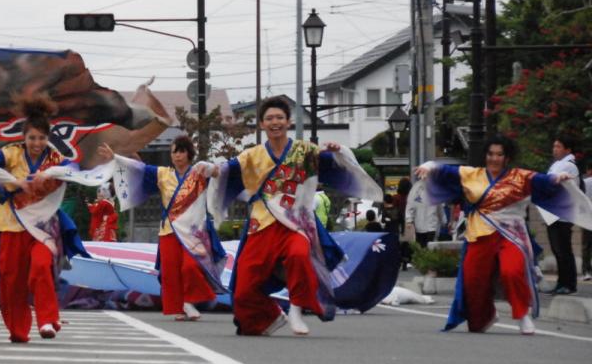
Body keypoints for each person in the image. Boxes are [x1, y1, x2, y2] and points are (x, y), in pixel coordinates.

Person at [204, 97, 383, 337]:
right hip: (262, 224)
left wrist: (339, 151)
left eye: (279, 118)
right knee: (243, 289)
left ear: (288, 121)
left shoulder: (306, 151)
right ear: (261, 125)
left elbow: (339, 164)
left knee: (299, 256)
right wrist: (210, 169)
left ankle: (297, 309)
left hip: (296, 224)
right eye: (269, 119)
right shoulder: (252, 156)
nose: (275, 122)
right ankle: (273, 316)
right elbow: (226, 171)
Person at [413, 134, 592, 335]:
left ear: (507, 158)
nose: (494, 158)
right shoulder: (472, 174)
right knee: (472, 279)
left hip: (511, 234)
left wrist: (557, 178)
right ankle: (486, 315)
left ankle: (522, 313)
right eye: (491, 154)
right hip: (479, 234)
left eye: (499, 154)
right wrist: (429, 166)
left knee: (512, 271)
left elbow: (544, 181)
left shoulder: (520, 176)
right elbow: (445, 171)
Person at [0, 94, 90, 343]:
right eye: (32, 138)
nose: (37, 143)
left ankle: (47, 319)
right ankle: (18, 329)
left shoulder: (55, 158)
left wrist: (51, 174)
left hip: (43, 229)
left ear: (48, 138)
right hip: (12, 226)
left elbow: (75, 169)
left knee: (40, 268)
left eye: (42, 138)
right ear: (24, 138)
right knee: (11, 282)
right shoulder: (11, 154)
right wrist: (14, 182)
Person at [97, 134, 226, 322]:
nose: (176, 155)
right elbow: (139, 168)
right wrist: (115, 158)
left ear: (189, 153)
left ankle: (189, 300)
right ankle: (180, 307)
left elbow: (220, 174)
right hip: (169, 230)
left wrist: (210, 167)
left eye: (181, 151)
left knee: (191, 267)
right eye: (173, 151)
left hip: (194, 231)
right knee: (170, 271)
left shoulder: (198, 172)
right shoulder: (163, 174)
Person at [541, 135, 580, 294]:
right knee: (558, 251)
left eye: (558, 146)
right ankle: (561, 282)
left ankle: (569, 284)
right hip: (554, 213)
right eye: (554, 146)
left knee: (563, 250)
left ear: (568, 150)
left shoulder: (569, 166)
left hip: (562, 214)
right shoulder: (558, 164)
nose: (554, 149)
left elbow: (552, 183)